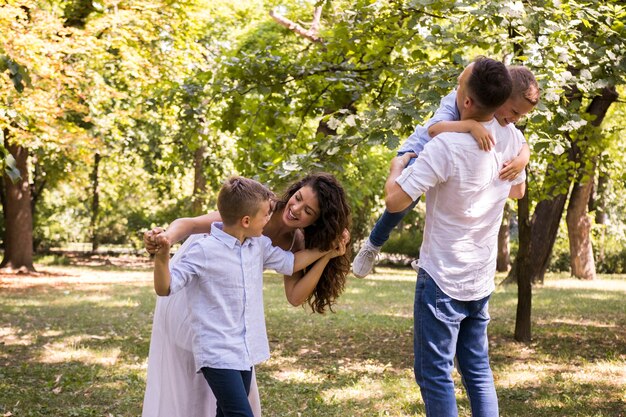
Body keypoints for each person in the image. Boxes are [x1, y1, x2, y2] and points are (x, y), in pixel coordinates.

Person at [142, 172, 351, 417]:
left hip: (232, 320)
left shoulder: (277, 241)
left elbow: (294, 289)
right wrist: (165, 239)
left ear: (316, 221)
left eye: (308, 211)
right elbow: (188, 224)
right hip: (194, 293)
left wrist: (327, 253)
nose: (296, 209)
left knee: (223, 397)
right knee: (194, 384)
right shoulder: (251, 206)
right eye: (298, 198)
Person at [385, 57, 526, 416]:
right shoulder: (512, 139)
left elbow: (395, 199)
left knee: (435, 375)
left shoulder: (444, 146)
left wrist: (396, 166)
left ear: (465, 102)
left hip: (442, 278)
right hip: (480, 277)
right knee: (478, 370)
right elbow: (517, 193)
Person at [352, 64, 539, 278]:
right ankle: (374, 243)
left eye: (522, 116)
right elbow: (433, 130)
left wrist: (524, 159)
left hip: (442, 159)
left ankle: (432, 257)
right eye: (515, 112)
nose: (516, 119)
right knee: (405, 199)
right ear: (502, 96)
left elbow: (522, 144)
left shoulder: (505, 129)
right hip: (417, 150)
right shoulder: (458, 98)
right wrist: (470, 125)